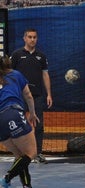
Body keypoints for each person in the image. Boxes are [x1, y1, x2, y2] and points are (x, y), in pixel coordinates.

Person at [10, 28, 53, 164]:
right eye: (30, 37)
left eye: (34, 37)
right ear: (24, 38)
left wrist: (49, 94)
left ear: (37, 39)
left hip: (37, 96)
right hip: (19, 96)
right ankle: (20, 153)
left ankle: (38, 153)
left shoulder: (42, 56)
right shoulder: (16, 55)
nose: (32, 39)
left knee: (38, 125)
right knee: (18, 124)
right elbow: (9, 74)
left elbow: (45, 75)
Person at [0, 55, 39, 188]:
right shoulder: (15, 74)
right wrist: (32, 114)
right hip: (12, 113)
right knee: (31, 153)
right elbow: (28, 95)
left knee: (20, 156)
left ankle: (27, 185)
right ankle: (7, 177)